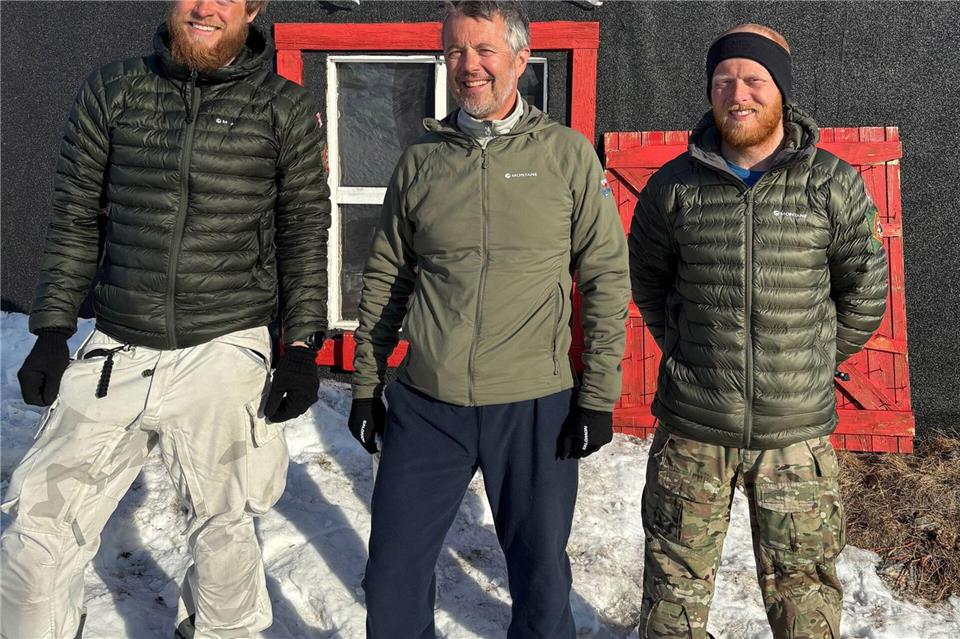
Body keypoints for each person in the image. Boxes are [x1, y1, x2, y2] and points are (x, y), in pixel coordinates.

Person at [1, 1, 330, 637]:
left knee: (225, 534)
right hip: (119, 346)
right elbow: (75, 217)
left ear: (252, 9)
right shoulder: (112, 89)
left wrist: (301, 345)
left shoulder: (283, 107)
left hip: (226, 342)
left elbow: (303, 228)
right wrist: (50, 332)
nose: (205, 8)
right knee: (35, 537)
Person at [346, 1, 630, 636]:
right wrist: (367, 385)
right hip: (428, 404)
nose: (467, 66)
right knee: (391, 575)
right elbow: (387, 276)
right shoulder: (422, 160)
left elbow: (607, 277)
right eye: (453, 51)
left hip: (534, 405)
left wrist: (597, 395)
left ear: (520, 58)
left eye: (483, 50)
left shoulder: (566, 155)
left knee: (541, 579)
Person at [629, 23, 888, 639]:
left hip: (794, 438)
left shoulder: (831, 183)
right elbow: (650, 283)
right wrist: (694, 352)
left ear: (781, 92)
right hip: (693, 429)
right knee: (673, 587)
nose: (736, 93)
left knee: (805, 596)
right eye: (722, 80)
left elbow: (865, 289)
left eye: (753, 79)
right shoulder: (673, 187)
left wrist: (814, 357)